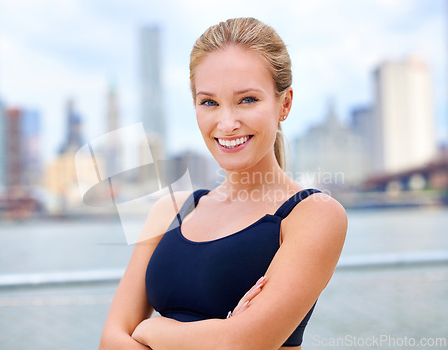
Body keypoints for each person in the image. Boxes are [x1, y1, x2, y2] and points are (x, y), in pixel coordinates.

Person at [99, 17, 347, 350]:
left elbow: (242, 344)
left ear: (284, 103)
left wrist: (150, 331)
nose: (227, 123)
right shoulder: (169, 211)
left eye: (247, 100)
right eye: (209, 102)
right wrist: (221, 330)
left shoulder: (314, 215)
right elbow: (109, 342)